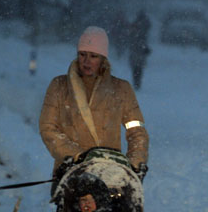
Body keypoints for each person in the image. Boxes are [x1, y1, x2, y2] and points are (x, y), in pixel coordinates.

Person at [39, 26, 149, 189]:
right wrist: (76, 155)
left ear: (103, 59)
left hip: (110, 175)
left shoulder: (121, 89)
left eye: (93, 56)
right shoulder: (59, 86)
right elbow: (48, 128)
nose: (86, 61)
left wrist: (135, 163)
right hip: (71, 173)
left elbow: (136, 130)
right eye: (82, 54)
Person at [128, 10, 151, 90]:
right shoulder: (142, 30)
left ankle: (136, 82)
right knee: (138, 68)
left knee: (136, 68)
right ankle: (137, 83)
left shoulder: (135, 26)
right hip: (138, 51)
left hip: (136, 51)